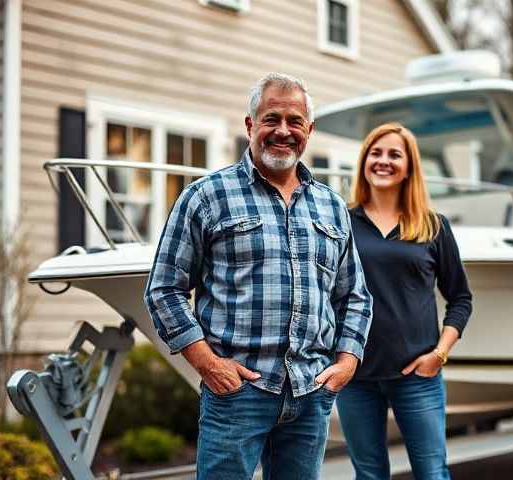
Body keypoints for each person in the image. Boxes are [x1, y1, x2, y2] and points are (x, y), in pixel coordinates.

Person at [144, 73, 372, 480]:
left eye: (294, 121)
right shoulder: (206, 196)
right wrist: (208, 364)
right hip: (236, 394)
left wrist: (347, 362)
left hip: (310, 392)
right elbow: (164, 287)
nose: (282, 131)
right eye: (271, 119)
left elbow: (354, 295)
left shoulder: (332, 206)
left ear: (308, 131)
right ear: (250, 125)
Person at [337, 123, 473, 479]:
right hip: (355, 376)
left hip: (417, 375)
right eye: (375, 153)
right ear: (364, 161)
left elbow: (460, 298)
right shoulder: (341, 222)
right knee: (368, 475)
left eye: (394, 154)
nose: (383, 161)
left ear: (410, 166)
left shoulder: (433, 226)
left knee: (431, 473)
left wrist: (439, 355)